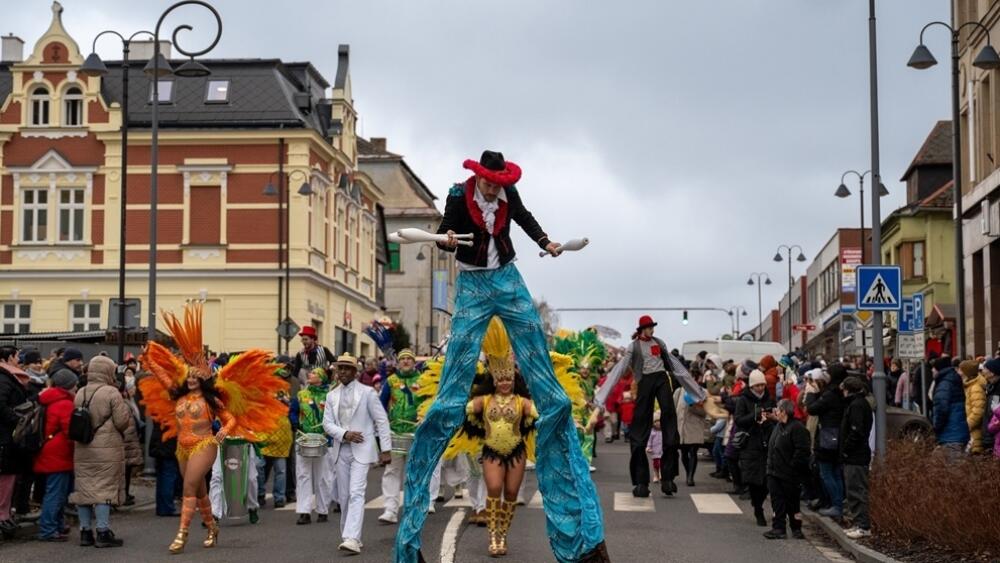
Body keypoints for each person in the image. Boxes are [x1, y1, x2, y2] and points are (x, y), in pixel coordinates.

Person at [395, 150, 607, 563]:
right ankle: (409, 542)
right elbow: (445, 230)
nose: (494, 188)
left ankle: (582, 540)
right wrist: (449, 239)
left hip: (508, 280)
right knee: (449, 396)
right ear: (479, 178)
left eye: (498, 182)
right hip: (473, 286)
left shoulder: (509, 194)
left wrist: (547, 242)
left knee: (553, 394)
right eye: (489, 182)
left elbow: (525, 220)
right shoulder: (460, 194)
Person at [138, 304, 288, 553]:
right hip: (182, 447)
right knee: (199, 491)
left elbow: (229, 419)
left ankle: (182, 534)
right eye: (189, 377)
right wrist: (147, 357)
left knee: (188, 486)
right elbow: (162, 375)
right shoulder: (179, 396)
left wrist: (223, 431)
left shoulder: (212, 400)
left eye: (196, 378)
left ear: (203, 380)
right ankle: (211, 528)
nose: (191, 380)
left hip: (204, 444)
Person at [596, 315, 703, 498]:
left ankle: (667, 479)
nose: (651, 330)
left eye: (652, 327)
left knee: (669, 418)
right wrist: (602, 395)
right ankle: (641, 482)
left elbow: (677, 367)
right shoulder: (634, 347)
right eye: (648, 328)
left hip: (661, 378)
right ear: (641, 330)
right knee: (639, 430)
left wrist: (696, 392)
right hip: (645, 381)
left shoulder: (659, 343)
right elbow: (618, 370)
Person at [323, 352, 391, 555]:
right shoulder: (331, 395)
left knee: (356, 492)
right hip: (341, 449)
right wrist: (345, 434)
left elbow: (381, 420)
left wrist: (386, 449)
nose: (342, 372)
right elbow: (327, 424)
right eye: (339, 368)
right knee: (343, 496)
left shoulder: (368, 393)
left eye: (346, 368)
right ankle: (352, 536)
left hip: (362, 449)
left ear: (354, 371)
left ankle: (351, 538)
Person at [68, 355, 131, 548]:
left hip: (83, 447)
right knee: (104, 489)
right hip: (107, 448)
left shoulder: (81, 392)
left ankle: (85, 532)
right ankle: (103, 532)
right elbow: (122, 421)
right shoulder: (111, 393)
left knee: (84, 490)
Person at [379, 348, 436, 524]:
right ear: (398, 362)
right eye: (402, 359)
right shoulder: (391, 381)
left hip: (417, 433)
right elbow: (380, 406)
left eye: (409, 359)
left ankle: (414, 507)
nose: (405, 361)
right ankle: (390, 509)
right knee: (392, 471)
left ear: (414, 362)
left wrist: (425, 419)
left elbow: (430, 403)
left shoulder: (422, 380)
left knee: (416, 471)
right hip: (395, 432)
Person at [33, 370, 77, 541]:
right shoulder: (64, 403)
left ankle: (57, 526)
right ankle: (49, 529)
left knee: (55, 491)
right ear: (69, 385)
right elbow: (70, 431)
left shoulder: (47, 399)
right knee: (56, 493)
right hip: (59, 454)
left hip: (47, 451)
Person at [289, 367, 335, 525]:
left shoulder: (329, 396)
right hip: (304, 439)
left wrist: (330, 432)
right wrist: (296, 424)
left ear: (321, 378)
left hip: (324, 440)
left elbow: (335, 417)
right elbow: (293, 411)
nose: (310, 375)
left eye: (314, 373)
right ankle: (304, 511)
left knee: (323, 476)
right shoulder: (302, 395)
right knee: (303, 475)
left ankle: (322, 510)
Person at [763, 399, 810, 540]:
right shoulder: (778, 426)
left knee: (793, 503)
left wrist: (792, 466)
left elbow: (802, 451)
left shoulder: (797, 428)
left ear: (783, 411)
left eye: (777, 409)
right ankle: (778, 528)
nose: (775, 412)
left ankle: (796, 528)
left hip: (789, 474)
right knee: (777, 502)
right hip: (774, 472)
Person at [805, 363, 847, 519]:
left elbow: (812, 409)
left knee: (826, 473)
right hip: (838, 436)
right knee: (835, 472)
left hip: (827, 437)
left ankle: (836, 505)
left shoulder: (830, 395)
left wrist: (811, 394)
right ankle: (835, 503)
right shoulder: (840, 393)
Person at [735, 370, 776, 526]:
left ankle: (759, 503)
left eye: (762, 385)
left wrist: (771, 418)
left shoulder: (768, 399)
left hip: (766, 441)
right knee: (753, 480)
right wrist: (754, 415)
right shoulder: (743, 400)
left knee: (767, 480)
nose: (760, 388)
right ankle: (758, 508)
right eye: (757, 385)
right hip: (750, 443)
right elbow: (739, 420)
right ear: (752, 386)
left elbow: (774, 416)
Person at [840, 376, 873, 540]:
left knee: (857, 490)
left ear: (848, 389)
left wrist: (846, 449)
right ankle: (858, 523)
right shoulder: (859, 403)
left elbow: (856, 431)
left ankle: (863, 526)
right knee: (854, 490)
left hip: (856, 455)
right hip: (856, 454)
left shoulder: (856, 405)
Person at [931, 357, 969, 459]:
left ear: (938, 369)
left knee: (954, 470)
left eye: (933, 368)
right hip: (957, 431)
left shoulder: (944, 384)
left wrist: (936, 426)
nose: (931, 370)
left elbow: (941, 409)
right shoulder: (952, 379)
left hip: (950, 434)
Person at [675, 386, 707, 487]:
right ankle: (688, 472)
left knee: (693, 451)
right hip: (682, 428)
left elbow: (705, 412)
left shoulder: (702, 392)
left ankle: (690, 477)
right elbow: (673, 407)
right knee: (684, 453)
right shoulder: (679, 391)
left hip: (695, 427)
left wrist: (693, 405)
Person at [959, 360, 987, 455]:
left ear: (967, 373)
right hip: (971, 434)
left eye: (961, 370)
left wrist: (966, 426)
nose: (959, 372)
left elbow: (978, 411)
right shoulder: (969, 385)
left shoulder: (975, 388)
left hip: (974, 435)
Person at [981, 357, 1000, 455]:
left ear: (992, 373)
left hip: (993, 439)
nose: (983, 371)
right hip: (989, 437)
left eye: (985, 368)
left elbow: (994, 414)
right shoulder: (991, 387)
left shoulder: (997, 391)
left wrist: (989, 434)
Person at [646, 414, 662, 484]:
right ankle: (656, 475)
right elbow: (649, 441)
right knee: (656, 464)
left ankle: (661, 474)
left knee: (662, 463)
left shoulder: (664, 431)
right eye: (656, 421)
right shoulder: (652, 432)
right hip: (655, 451)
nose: (658, 423)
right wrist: (648, 447)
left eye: (659, 421)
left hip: (662, 451)